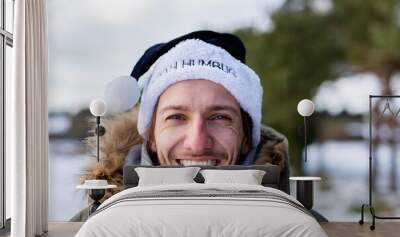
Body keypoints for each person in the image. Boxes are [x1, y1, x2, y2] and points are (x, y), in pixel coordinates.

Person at [70, 30, 289, 221]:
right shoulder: (87, 228)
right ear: (151, 137)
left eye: (220, 117)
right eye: (176, 117)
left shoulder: (302, 227)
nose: (197, 144)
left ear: (246, 138)